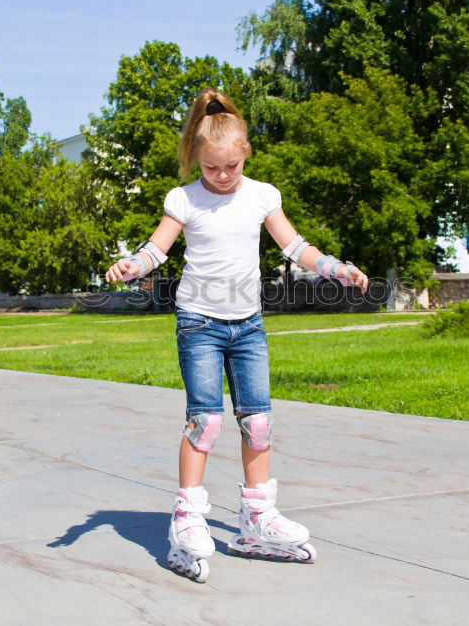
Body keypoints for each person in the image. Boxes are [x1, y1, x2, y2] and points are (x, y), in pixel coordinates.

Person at [105, 88, 368, 582]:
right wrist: (132, 265)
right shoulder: (183, 199)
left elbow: (295, 247)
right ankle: (186, 517)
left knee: (259, 422)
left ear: (246, 152)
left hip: (248, 325)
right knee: (204, 421)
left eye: (230, 166)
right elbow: (156, 249)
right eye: (211, 169)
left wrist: (337, 269)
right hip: (199, 324)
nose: (222, 177)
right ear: (196, 160)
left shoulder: (262, 195)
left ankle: (256, 517)